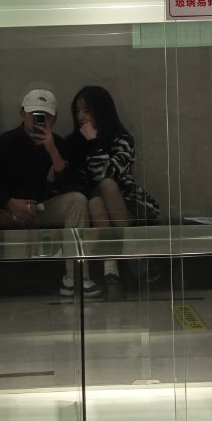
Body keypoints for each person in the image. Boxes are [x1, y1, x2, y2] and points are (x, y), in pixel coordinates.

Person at [0, 88, 102, 305]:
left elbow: (73, 185)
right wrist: (8, 202)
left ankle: (77, 278)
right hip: (3, 209)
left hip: (41, 209)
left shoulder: (59, 145)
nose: (39, 121)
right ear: (22, 114)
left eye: (45, 116)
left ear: (54, 119)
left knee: (77, 201)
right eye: (34, 115)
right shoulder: (6, 142)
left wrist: (52, 151)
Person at [64, 86, 161, 299]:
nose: (80, 116)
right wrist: (90, 142)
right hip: (89, 201)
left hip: (124, 201)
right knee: (95, 200)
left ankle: (111, 271)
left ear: (101, 111)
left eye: (87, 111)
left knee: (105, 189)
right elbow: (79, 183)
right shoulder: (73, 143)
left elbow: (109, 174)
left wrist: (94, 142)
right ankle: (132, 257)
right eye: (77, 111)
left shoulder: (122, 140)